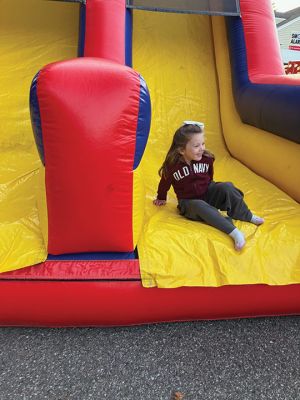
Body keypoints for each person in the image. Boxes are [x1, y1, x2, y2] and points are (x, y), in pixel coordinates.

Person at [153, 121, 264, 251]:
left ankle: (246, 215)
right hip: (189, 203)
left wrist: (214, 190)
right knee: (199, 205)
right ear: (182, 150)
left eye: (203, 143)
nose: (202, 148)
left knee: (227, 186)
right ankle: (234, 232)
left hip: (206, 192)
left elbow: (209, 177)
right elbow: (164, 182)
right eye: (196, 146)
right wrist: (161, 197)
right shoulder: (172, 166)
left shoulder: (207, 158)